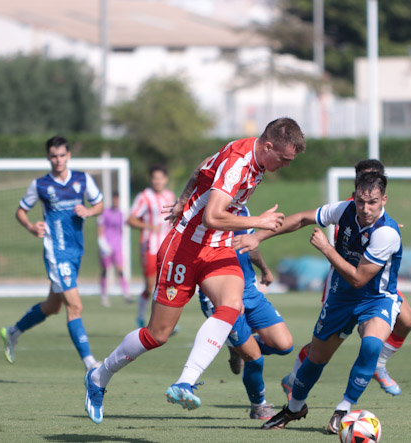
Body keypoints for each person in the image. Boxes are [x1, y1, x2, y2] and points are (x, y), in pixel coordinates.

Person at [83, 117, 306, 424]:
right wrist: (258, 222)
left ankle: (185, 383)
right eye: (283, 159)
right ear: (268, 146)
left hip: (218, 249)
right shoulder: (238, 164)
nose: (285, 165)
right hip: (184, 249)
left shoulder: (254, 158)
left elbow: (202, 166)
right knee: (157, 335)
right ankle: (99, 376)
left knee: (232, 304)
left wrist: (183, 200)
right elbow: (212, 217)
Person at [233, 171, 402, 433]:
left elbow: (359, 279)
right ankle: (295, 407)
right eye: (360, 201)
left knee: (371, 344)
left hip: (375, 298)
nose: (365, 208)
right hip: (341, 297)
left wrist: (326, 248)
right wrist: (258, 236)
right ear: (354, 197)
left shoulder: (386, 233)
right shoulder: (344, 210)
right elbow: (301, 219)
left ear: (384, 200)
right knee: (316, 358)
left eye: (373, 202)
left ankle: (344, 409)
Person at [280, 159, 411, 399]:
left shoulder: (381, 220)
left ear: (383, 195)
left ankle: (378, 365)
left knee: (406, 320)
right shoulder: (347, 209)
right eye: (363, 183)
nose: (366, 204)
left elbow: (380, 236)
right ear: (356, 186)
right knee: (323, 346)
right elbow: (310, 220)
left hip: (372, 283)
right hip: (342, 281)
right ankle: (293, 380)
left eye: (374, 192)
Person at [0, 135, 104, 370]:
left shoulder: (82, 179)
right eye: (54, 156)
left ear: (68, 156)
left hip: (76, 250)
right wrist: (30, 226)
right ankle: (90, 363)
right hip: (56, 251)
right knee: (75, 306)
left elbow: (99, 204)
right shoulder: (40, 185)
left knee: (52, 306)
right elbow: (21, 211)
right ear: (48, 157)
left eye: (62, 155)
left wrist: (88, 211)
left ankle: (13, 332)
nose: (58, 160)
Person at [198, 205, 294, 420]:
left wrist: (265, 268)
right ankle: (258, 405)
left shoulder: (244, 208)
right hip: (221, 294)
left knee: (284, 345)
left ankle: (236, 347)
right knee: (254, 358)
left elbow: (250, 244)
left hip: (249, 289)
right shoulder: (206, 212)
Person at [127, 165, 176, 327]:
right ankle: (140, 317)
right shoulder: (144, 197)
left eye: (160, 178)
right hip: (150, 246)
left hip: (168, 246)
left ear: (165, 180)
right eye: (154, 178)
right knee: (150, 287)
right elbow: (131, 219)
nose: (157, 181)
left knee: (168, 285)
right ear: (151, 180)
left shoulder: (170, 196)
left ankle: (165, 321)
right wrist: (148, 227)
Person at [97, 192, 132, 307]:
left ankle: (126, 294)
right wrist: (102, 243)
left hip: (117, 246)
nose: (116, 202)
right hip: (106, 246)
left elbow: (122, 230)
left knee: (120, 270)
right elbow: (101, 228)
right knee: (105, 271)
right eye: (114, 199)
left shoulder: (122, 214)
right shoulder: (105, 212)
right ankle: (104, 295)